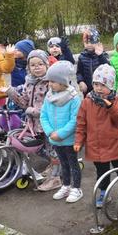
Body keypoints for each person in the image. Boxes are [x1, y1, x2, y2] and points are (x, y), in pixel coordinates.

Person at [1, 49, 62, 192]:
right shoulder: (29, 82)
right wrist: (10, 92)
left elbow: (52, 107)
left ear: (47, 65)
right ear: (29, 67)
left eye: (40, 64)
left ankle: (55, 179)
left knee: (53, 150)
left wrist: (31, 111)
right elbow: (24, 103)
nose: (37, 67)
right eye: (33, 65)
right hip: (35, 125)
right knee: (43, 150)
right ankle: (58, 167)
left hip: (50, 123)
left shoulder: (50, 83)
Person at [74, 64, 118, 208]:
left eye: (103, 85)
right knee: (102, 172)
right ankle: (104, 191)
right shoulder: (87, 102)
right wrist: (79, 140)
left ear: (111, 86)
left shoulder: (115, 100)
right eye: (96, 84)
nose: (98, 88)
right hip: (96, 145)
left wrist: (110, 107)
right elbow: (81, 123)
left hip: (114, 144)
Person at [40, 61, 83, 203]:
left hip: (68, 139)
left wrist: (61, 134)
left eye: (53, 81)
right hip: (54, 137)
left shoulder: (73, 98)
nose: (50, 84)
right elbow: (43, 115)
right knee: (62, 163)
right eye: (49, 81)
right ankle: (65, 185)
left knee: (73, 163)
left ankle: (76, 188)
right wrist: (50, 132)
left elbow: (74, 120)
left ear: (63, 81)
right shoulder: (49, 96)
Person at [76, 28, 110, 96]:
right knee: (88, 105)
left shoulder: (102, 55)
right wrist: (81, 81)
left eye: (92, 42)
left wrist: (100, 55)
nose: (89, 45)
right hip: (88, 89)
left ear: (97, 42)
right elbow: (79, 72)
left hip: (101, 88)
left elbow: (108, 68)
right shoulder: (82, 57)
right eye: (86, 42)